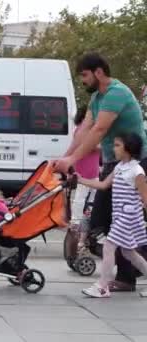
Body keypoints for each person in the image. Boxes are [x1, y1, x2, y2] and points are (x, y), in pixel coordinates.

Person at [54, 53, 147, 293]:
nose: (82, 81)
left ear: (98, 72)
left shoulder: (116, 93)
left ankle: (125, 276)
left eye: (84, 75)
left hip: (136, 162)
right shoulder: (96, 98)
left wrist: (73, 159)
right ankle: (127, 275)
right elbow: (84, 129)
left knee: (114, 222)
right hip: (114, 163)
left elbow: (99, 130)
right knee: (103, 221)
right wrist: (65, 159)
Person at [78, 133, 147, 298]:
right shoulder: (119, 167)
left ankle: (102, 286)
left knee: (109, 246)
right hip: (119, 215)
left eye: (117, 145)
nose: (113, 148)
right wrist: (80, 180)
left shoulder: (137, 171)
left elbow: (145, 198)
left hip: (129, 216)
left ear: (128, 149)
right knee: (128, 252)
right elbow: (103, 185)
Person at [70, 106, 100, 251]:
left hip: (91, 170)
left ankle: (81, 220)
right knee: (82, 197)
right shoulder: (84, 129)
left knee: (87, 197)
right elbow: (92, 146)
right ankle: (77, 222)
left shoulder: (82, 129)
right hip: (86, 170)